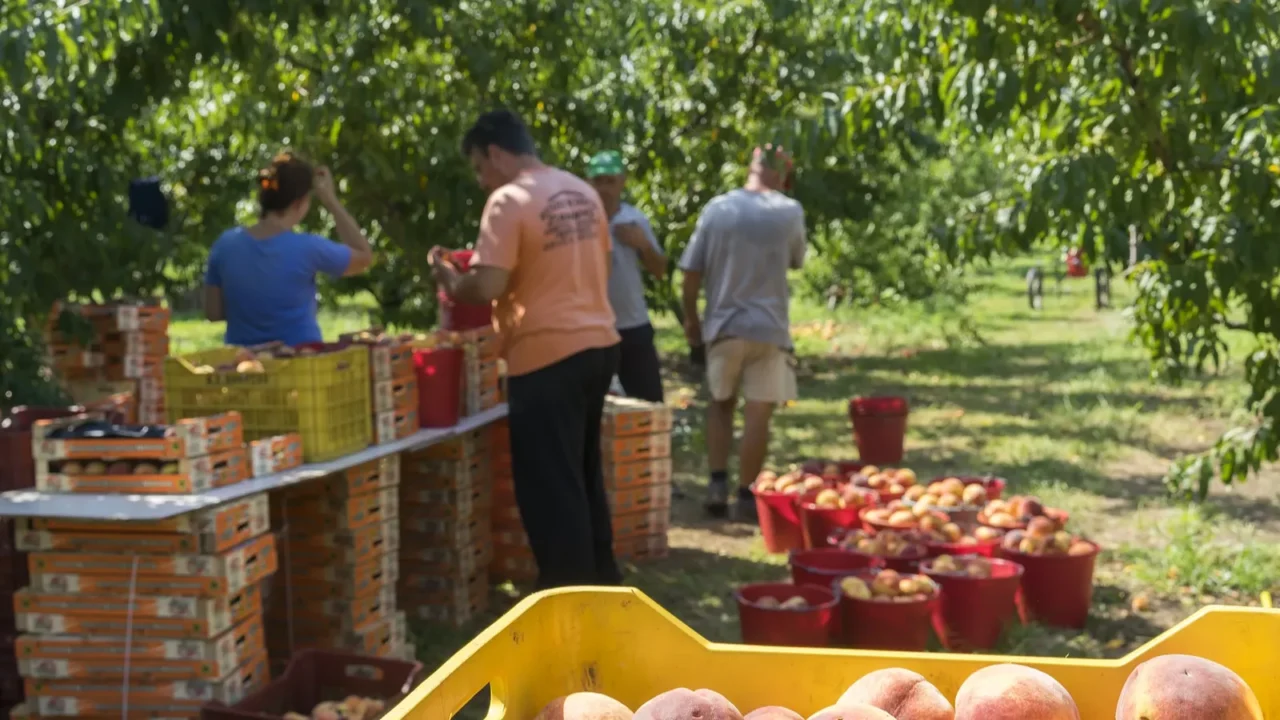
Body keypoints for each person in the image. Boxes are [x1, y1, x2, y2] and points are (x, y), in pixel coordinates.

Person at [428, 109, 622, 588]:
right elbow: (605, 266)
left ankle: (568, 599)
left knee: (551, 489)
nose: (480, 180)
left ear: (495, 153)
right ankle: (604, 583)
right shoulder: (581, 190)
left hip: (545, 355)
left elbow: (488, 284)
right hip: (599, 343)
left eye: (478, 167)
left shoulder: (508, 200)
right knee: (582, 476)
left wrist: (452, 280)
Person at [678, 144, 806, 519]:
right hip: (770, 327)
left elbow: (691, 271)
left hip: (724, 324)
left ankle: (717, 482)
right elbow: (796, 261)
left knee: (720, 404)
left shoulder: (719, 209)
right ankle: (747, 495)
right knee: (758, 413)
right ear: (783, 174)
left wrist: (691, 318)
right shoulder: (789, 211)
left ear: (750, 166)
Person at [204, 153, 373, 346]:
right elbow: (364, 257)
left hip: (244, 367)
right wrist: (331, 201)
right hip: (300, 363)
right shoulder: (308, 248)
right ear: (299, 203)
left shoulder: (225, 245)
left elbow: (213, 313)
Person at [585, 150, 667, 403]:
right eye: (598, 181)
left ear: (622, 182)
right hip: (592, 328)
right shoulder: (581, 221)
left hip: (632, 325)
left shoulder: (634, 219)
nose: (604, 189)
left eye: (610, 181)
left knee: (647, 402)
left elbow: (660, 270)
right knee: (594, 406)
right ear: (588, 183)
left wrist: (642, 244)